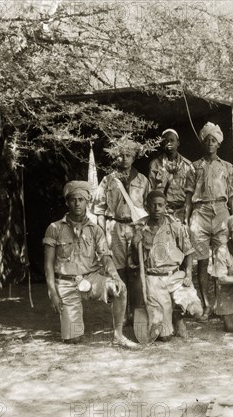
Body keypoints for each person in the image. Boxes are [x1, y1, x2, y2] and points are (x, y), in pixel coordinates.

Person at [43, 181, 139, 349]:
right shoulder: (54, 228)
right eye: (73, 199)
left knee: (120, 288)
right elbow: (48, 264)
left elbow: (105, 257)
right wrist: (52, 292)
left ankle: (118, 335)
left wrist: (115, 277)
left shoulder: (95, 230)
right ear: (67, 202)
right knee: (73, 340)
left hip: (91, 278)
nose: (77, 203)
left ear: (87, 201)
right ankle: (74, 326)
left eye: (81, 199)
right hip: (66, 283)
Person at [91, 136, 151, 318]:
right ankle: (121, 313)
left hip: (135, 229)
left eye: (128, 155)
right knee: (117, 271)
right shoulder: (108, 181)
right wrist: (102, 234)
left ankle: (136, 311)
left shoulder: (142, 180)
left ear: (134, 157)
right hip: (114, 228)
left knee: (135, 269)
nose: (123, 159)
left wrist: (143, 232)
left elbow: (149, 209)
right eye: (120, 155)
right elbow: (99, 209)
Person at [131, 191, 202, 341]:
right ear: (147, 207)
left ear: (165, 207)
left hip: (175, 276)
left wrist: (188, 274)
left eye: (160, 205)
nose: (157, 208)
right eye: (153, 205)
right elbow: (135, 262)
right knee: (164, 337)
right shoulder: (140, 229)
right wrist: (134, 243)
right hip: (155, 280)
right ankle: (168, 321)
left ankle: (178, 318)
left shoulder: (175, 227)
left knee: (197, 310)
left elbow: (188, 252)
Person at [184, 122, 233, 321]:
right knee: (202, 261)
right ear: (202, 142)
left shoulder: (227, 167)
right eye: (206, 140)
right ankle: (206, 304)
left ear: (218, 143)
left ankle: (221, 304)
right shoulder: (194, 167)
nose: (209, 143)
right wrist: (187, 217)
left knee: (222, 259)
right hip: (200, 212)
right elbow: (188, 195)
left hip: (222, 211)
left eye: (213, 140)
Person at [149, 129, 195, 223]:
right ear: (161, 144)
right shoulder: (155, 165)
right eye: (165, 141)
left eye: (171, 140)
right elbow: (151, 191)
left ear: (178, 143)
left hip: (181, 213)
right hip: (162, 213)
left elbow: (190, 195)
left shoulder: (187, 166)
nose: (168, 143)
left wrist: (187, 218)